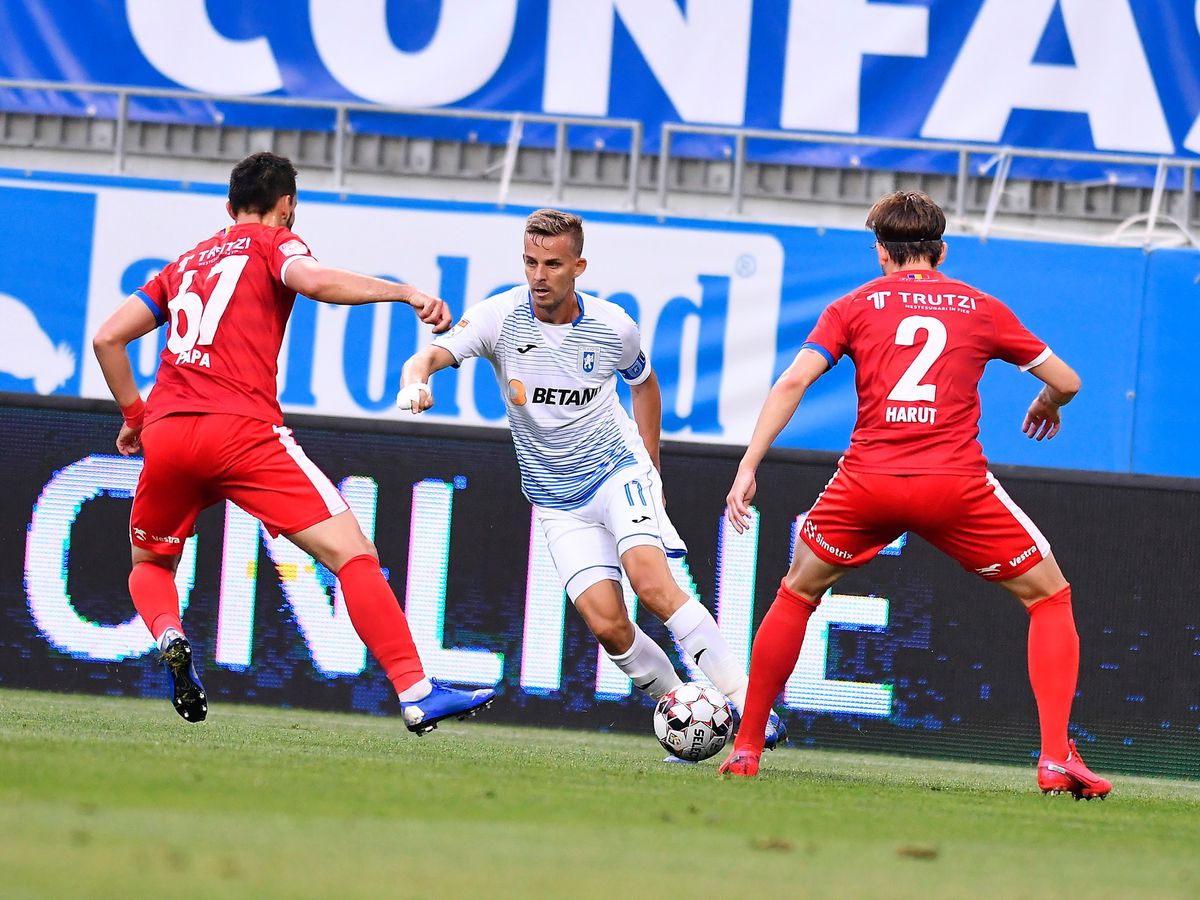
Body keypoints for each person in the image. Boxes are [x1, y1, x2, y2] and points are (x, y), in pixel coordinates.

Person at [718, 191, 1111, 799]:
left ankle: (746, 747)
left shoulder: (851, 306)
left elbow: (793, 380)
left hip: (867, 484)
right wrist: (1047, 402)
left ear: (881, 252)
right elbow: (1068, 380)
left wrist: (749, 466)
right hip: (953, 486)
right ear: (941, 250)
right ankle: (1056, 757)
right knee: (1050, 597)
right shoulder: (979, 307)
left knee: (796, 594)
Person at [91, 152, 494, 735]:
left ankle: (169, 633)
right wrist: (404, 291)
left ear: (228, 209)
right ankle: (415, 689)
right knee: (352, 554)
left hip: (170, 430)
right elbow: (315, 281)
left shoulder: (182, 265)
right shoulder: (275, 243)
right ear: (288, 206)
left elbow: (108, 339)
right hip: (241, 432)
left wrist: (135, 414)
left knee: (150, 563)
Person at [398, 208, 783, 753]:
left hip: (615, 472)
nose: (538, 275)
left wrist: (650, 466)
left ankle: (747, 707)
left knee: (653, 588)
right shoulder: (498, 318)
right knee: (609, 627)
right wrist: (415, 382)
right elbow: (429, 357)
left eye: (552, 264)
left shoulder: (612, 326)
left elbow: (644, 387)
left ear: (578, 265)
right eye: (530, 262)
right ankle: (688, 718)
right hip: (557, 501)